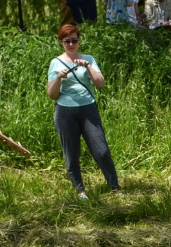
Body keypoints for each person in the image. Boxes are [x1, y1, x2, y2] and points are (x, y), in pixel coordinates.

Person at [46, 24, 121, 200]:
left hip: (88, 109)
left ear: (79, 41)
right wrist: (58, 77)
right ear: (61, 42)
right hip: (64, 112)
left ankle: (115, 188)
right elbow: (52, 94)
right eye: (67, 41)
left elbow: (100, 83)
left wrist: (87, 66)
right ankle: (80, 191)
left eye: (74, 40)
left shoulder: (88, 59)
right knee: (71, 154)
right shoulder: (55, 63)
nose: (71, 44)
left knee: (101, 150)